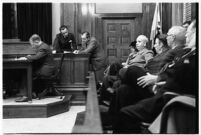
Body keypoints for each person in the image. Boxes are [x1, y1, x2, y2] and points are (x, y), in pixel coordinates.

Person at [113, 20, 197, 133]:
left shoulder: (188, 54)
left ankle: (116, 81)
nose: (187, 34)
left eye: (189, 31)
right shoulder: (188, 53)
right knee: (124, 90)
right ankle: (110, 119)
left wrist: (157, 79)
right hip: (160, 85)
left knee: (130, 71)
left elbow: (180, 76)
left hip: (165, 94)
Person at [15, 34, 56, 102]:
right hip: (45, 68)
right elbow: (37, 56)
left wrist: (26, 57)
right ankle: (30, 93)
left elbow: (36, 57)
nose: (32, 46)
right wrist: (30, 56)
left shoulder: (43, 47)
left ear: (36, 42)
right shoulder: (43, 46)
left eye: (32, 44)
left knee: (26, 73)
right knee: (27, 71)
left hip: (46, 70)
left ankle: (26, 95)